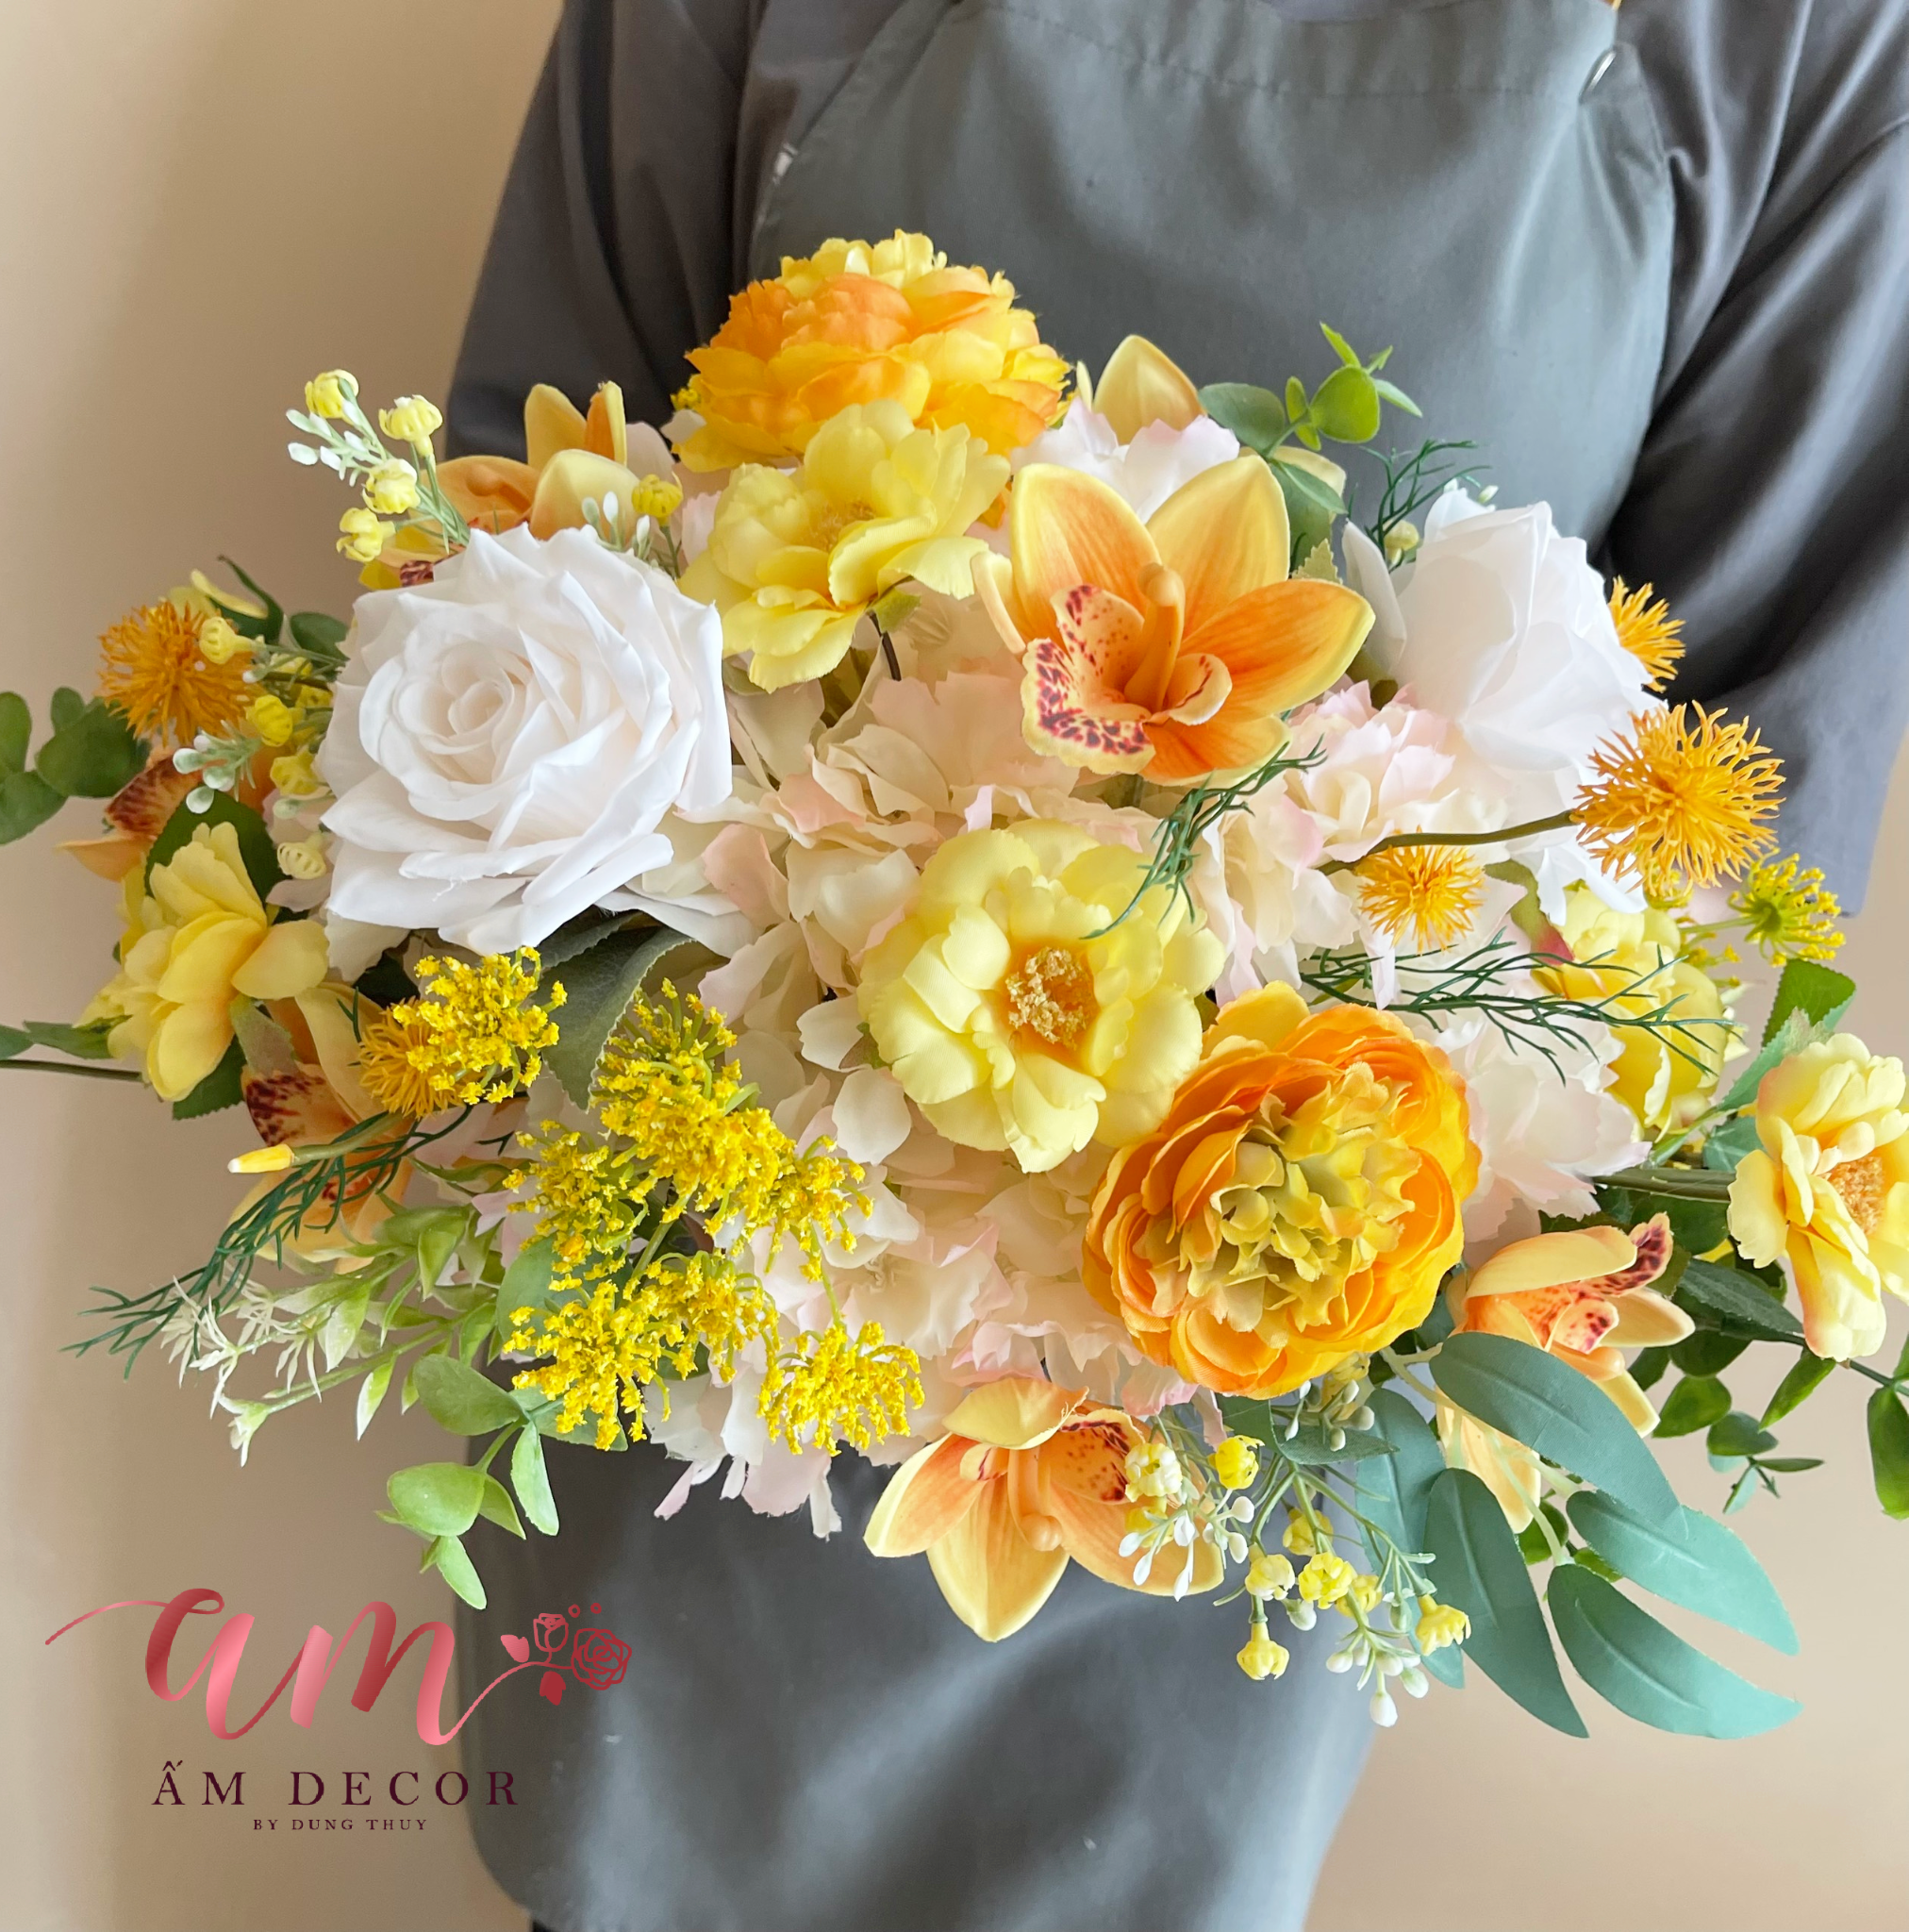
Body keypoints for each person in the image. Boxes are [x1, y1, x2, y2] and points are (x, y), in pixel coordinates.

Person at [447, 5, 1909, 1929]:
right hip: (734, 1280)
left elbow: (1718, 848)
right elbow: (510, 567)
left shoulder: (1802, 45)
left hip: (1276, 1366)